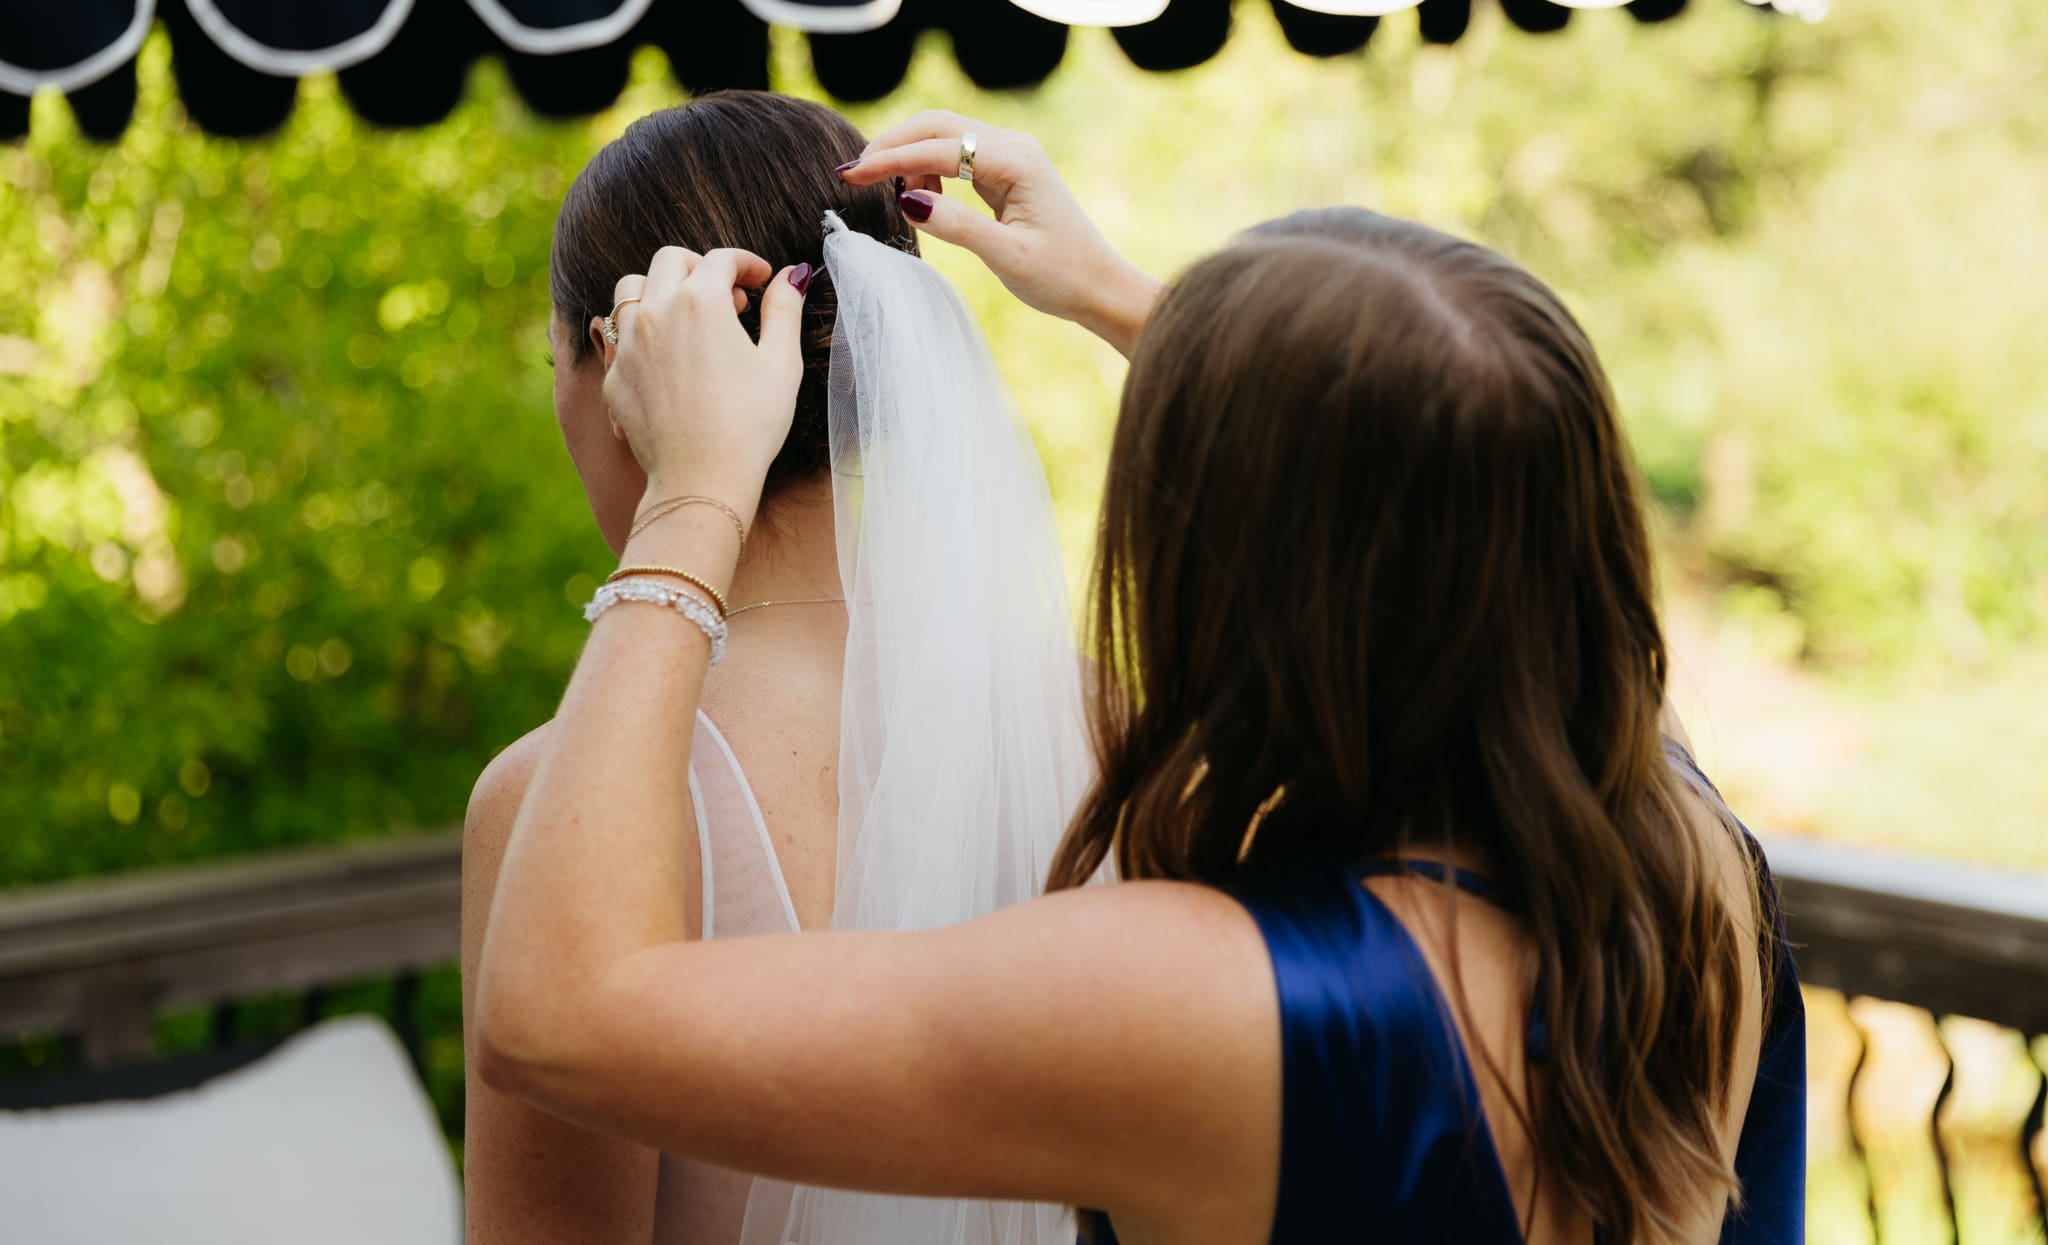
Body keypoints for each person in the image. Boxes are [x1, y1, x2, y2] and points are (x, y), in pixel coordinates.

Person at [474, 110, 1806, 1244]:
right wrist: (1130, 300)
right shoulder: (1683, 875)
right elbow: (1474, 530)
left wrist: (694, 487)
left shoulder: (1190, 998)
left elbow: (559, 1017)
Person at [461, 93, 1092, 1245]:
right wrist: (1116, 295)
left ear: (619, 365)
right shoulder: (1099, 718)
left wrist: (687, 496)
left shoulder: (557, 809)